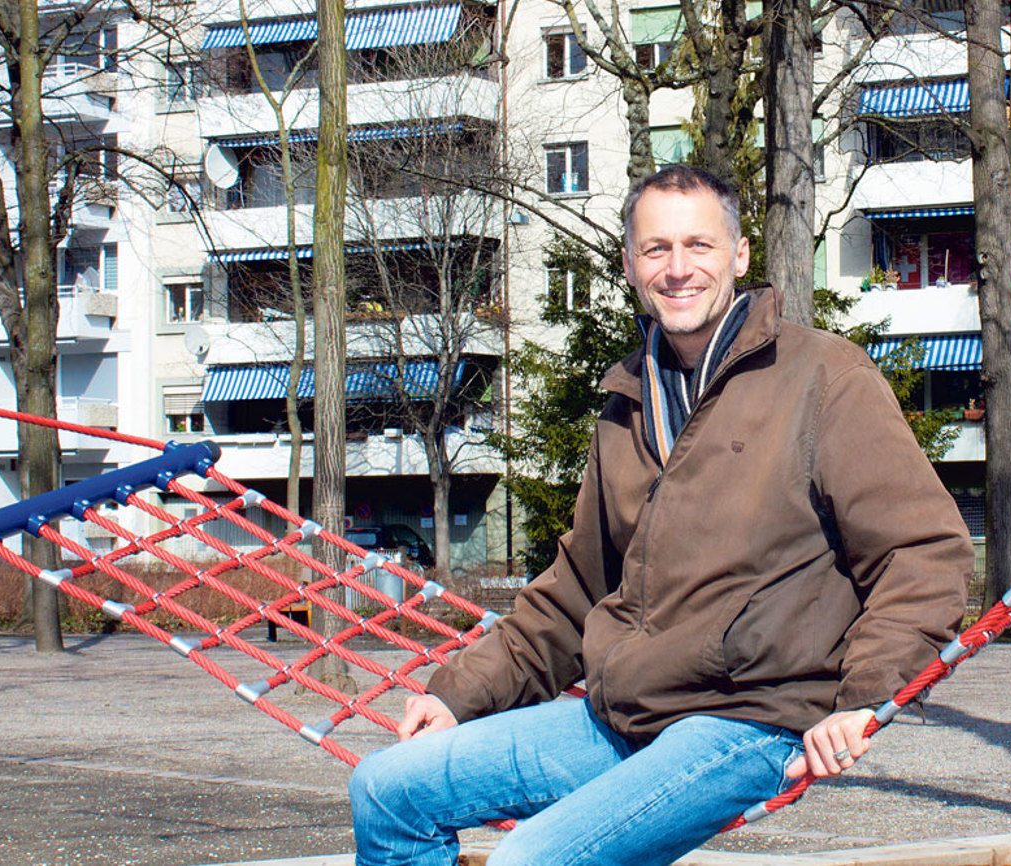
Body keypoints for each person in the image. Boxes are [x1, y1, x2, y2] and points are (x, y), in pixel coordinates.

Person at [349, 165, 974, 866]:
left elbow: (923, 550)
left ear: (738, 256)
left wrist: (867, 697)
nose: (679, 269)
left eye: (699, 247)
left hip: (752, 718)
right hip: (627, 714)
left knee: (532, 860)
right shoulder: (627, 404)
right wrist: (462, 693)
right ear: (630, 265)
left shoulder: (824, 379)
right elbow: (575, 591)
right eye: (657, 250)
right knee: (386, 787)